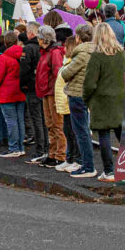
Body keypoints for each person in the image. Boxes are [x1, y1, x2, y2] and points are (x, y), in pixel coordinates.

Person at [82, 23, 125, 182]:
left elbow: (90, 83)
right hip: (120, 98)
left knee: (104, 136)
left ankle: (109, 171)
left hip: (101, 100)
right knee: (122, 135)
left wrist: (86, 98)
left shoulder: (96, 56)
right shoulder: (121, 53)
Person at [60, 23, 96, 178]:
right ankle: (86, 164)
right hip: (87, 93)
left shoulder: (81, 54)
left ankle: (87, 166)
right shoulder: (95, 52)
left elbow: (66, 74)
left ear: (78, 37)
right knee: (83, 130)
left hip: (76, 93)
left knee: (80, 132)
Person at [0, 31, 26, 158]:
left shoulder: (4, 58)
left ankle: (13, 147)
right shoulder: (23, 55)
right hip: (21, 92)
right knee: (20, 120)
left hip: (7, 94)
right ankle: (21, 147)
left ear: (5, 43)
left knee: (11, 121)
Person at [35, 24, 65, 168]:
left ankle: (60, 154)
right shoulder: (47, 52)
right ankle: (53, 153)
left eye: (39, 38)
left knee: (57, 124)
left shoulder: (54, 53)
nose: (38, 40)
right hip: (47, 92)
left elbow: (58, 72)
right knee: (50, 124)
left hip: (53, 92)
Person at [19, 22, 47, 162]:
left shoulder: (29, 48)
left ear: (30, 33)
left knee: (36, 118)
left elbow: (24, 69)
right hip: (43, 87)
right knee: (44, 118)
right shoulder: (43, 48)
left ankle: (40, 149)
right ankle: (46, 147)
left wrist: (23, 85)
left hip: (31, 87)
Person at [54, 33, 82, 172]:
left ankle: (77, 159)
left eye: (66, 46)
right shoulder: (67, 62)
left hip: (69, 102)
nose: (64, 49)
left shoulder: (72, 64)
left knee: (74, 133)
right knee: (68, 133)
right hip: (64, 104)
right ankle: (70, 158)